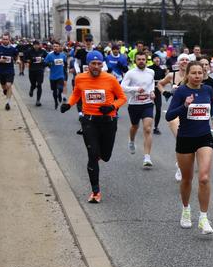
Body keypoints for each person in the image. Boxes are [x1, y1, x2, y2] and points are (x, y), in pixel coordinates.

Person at [60, 51, 127, 203]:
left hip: (108, 121)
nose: (96, 67)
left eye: (99, 64)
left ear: (102, 64)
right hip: (89, 121)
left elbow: (122, 98)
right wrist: (68, 104)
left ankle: (98, 155)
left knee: (106, 156)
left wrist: (111, 107)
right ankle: (95, 192)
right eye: (93, 64)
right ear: (88, 65)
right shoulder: (80, 78)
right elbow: (76, 94)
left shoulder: (110, 79)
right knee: (92, 155)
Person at [166, 61, 213, 234]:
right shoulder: (181, 91)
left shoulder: (207, 89)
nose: (197, 76)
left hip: (204, 137)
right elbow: (169, 116)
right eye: (194, 73)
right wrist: (185, 106)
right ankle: (186, 209)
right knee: (187, 179)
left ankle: (203, 218)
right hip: (185, 138)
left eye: (200, 73)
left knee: (204, 177)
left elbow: (210, 105)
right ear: (187, 74)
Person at [157, 53, 191, 181]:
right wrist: (165, 92)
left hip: (190, 112)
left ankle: (181, 162)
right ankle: (181, 167)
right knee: (181, 139)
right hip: (175, 111)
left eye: (187, 60)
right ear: (178, 62)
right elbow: (160, 84)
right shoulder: (172, 75)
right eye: (182, 60)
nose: (184, 62)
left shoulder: (193, 75)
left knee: (189, 141)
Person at [121, 53, 156, 168]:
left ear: (146, 60)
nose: (141, 61)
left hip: (147, 104)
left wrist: (152, 92)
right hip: (134, 104)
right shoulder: (130, 73)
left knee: (147, 129)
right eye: (139, 59)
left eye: (143, 59)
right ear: (135, 60)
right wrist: (136, 89)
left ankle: (147, 157)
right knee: (134, 126)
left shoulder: (151, 72)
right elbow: (122, 87)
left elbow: (151, 85)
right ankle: (131, 141)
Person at [0, 33, 19, 111]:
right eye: (4, 39)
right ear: (1, 39)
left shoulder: (13, 49)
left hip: (10, 70)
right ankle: (5, 91)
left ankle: (8, 103)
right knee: (4, 87)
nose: (5, 40)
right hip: (0, 71)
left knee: (9, 85)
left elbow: (17, 56)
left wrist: (18, 60)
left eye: (6, 39)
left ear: (9, 39)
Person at [45, 42, 68, 109]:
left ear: (59, 47)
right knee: (54, 91)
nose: (55, 47)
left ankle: (60, 94)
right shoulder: (49, 55)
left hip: (61, 76)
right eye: (54, 46)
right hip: (52, 76)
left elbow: (65, 63)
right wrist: (49, 64)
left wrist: (65, 70)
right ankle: (56, 102)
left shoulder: (63, 55)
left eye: (57, 46)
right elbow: (45, 63)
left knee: (60, 88)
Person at [25, 40, 48, 106]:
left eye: (37, 45)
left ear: (39, 45)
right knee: (33, 84)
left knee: (39, 85)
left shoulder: (43, 51)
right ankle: (31, 89)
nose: (36, 46)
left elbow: (47, 58)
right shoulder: (29, 51)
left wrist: (45, 62)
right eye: (35, 45)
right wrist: (28, 61)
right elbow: (24, 58)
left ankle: (38, 100)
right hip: (32, 70)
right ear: (33, 45)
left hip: (40, 70)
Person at [149, 54, 167, 134]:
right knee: (149, 110)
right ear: (153, 60)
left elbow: (164, 81)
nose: (157, 60)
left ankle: (156, 127)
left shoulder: (161, 69)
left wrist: (166, 73)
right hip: (149, 91)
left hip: (157, 91)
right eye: (155, 58)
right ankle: (147, 125)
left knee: (158, 109)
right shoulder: (149, 69)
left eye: (158, 59)